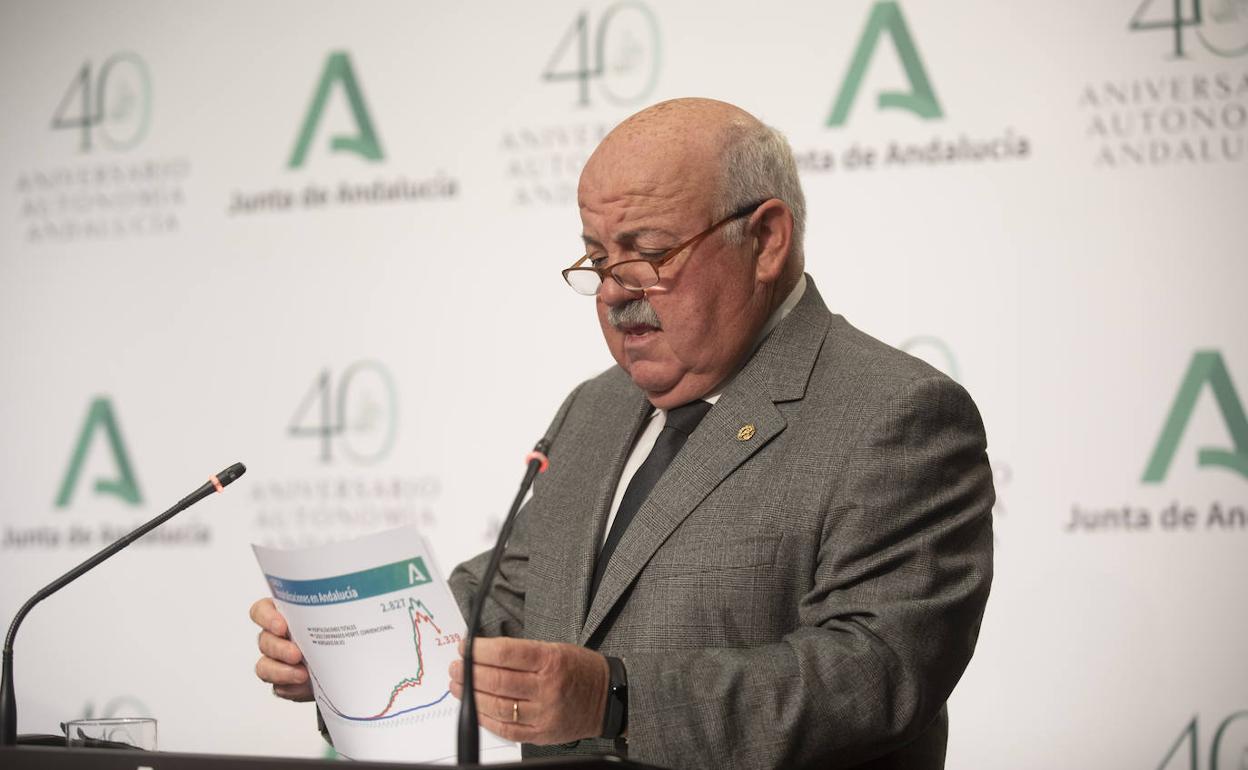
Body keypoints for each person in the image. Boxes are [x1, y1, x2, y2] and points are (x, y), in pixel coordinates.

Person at [252, 97, 994, 769]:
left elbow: (876, 673)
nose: (612, 292)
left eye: (647, 254)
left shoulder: (895, 413)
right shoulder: (596, 409)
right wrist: (343, 655)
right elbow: (504, 607)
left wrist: (618, 700)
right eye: (600, 258)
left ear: (766, 240)